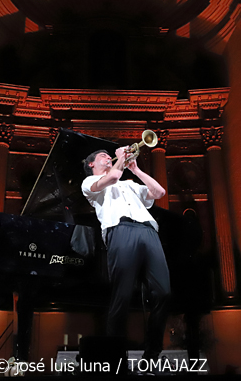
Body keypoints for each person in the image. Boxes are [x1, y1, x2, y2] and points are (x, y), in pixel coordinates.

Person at [81, 146, 169, 363]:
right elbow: (112, 177)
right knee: (122, 296)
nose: (107, 157)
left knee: (163, 293)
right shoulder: (89, 183)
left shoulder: (129, 183)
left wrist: (135, 170)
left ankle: (152, 356)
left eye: (108, 155)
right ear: (91, 164)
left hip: (148, 231)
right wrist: (120, 159)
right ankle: (115, 359)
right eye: (102, 155)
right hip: (120, 231)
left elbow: (159, 192)